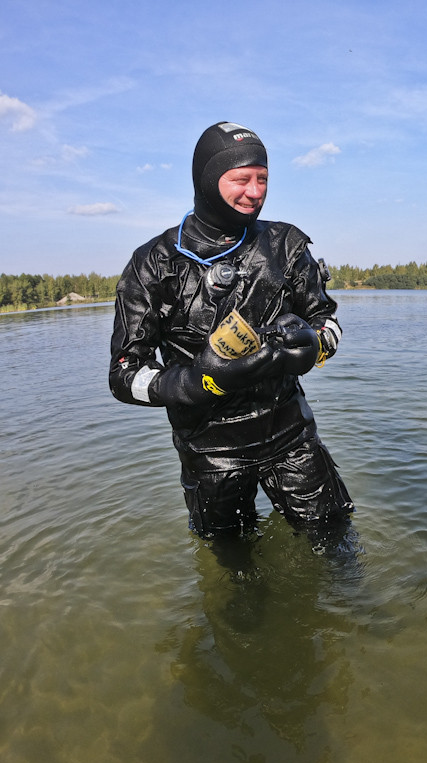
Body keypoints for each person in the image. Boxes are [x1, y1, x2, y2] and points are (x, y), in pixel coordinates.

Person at [110, 121, 353, 541]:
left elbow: (327, 320)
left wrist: (317, 346)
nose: (255, 191)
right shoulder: (154, 263)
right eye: (240, 179)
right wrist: (199, 381)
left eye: (263, 179)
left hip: (291, 435)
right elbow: (124, 376)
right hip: (209, 451)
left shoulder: (286, 245)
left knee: (337, 544)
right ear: (206, 181)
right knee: (231, 566)